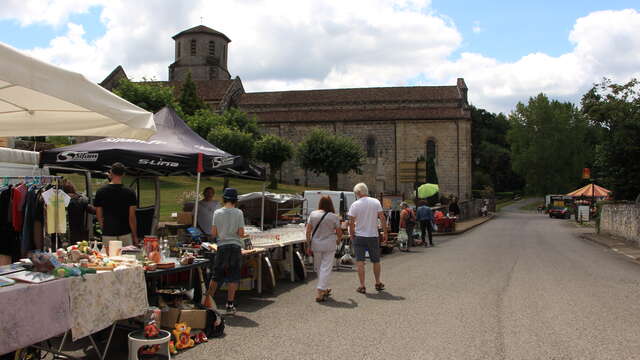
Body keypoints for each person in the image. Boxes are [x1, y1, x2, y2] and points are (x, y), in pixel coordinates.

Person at [203, 188, 245, 314]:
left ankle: (208, 303)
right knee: (233, 276)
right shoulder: (238, 212)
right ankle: (230, 305)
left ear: (224, 199)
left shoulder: (217, 213)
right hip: (235, 246)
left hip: (222, 246)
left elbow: (213, 233)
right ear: (235, 200)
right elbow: (241, 233)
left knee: (216, 276)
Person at [348, 183, 388, 294]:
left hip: (359, 236)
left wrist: (351, 234)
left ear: (358, 193)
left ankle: (362, 285)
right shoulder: (375, 202)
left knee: (360, 261)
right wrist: (385, 233)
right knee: (376, 261)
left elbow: (351, 222)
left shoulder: (355, 204)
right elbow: (382, 218)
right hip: (373, 235)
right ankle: (378, 282)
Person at [306, 196, 342, 302]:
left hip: (316, 244)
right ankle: (320, 289)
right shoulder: (333, 216)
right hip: (329, 244)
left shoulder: (313, 214)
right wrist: (338, 240)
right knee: (326, 267)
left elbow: (308, 231)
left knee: (319, 266)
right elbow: (339, 232)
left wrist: (308, 245)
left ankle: (324, 289)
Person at [94, 163, 138, 246]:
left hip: (108, 232)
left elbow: (98, 214)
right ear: (123, 174)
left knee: (109, 258)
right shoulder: (130, 192)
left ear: (111, 173)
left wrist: (103, 228)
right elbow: (132, 217)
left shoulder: (100, 191)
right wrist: (135, 236)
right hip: (125, 233)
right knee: (127, 258)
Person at [62, 180, 95, 244]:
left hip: (65, 232)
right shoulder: (81, 199)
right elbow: (92, 210)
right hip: (79, 232)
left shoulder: (61, 199)